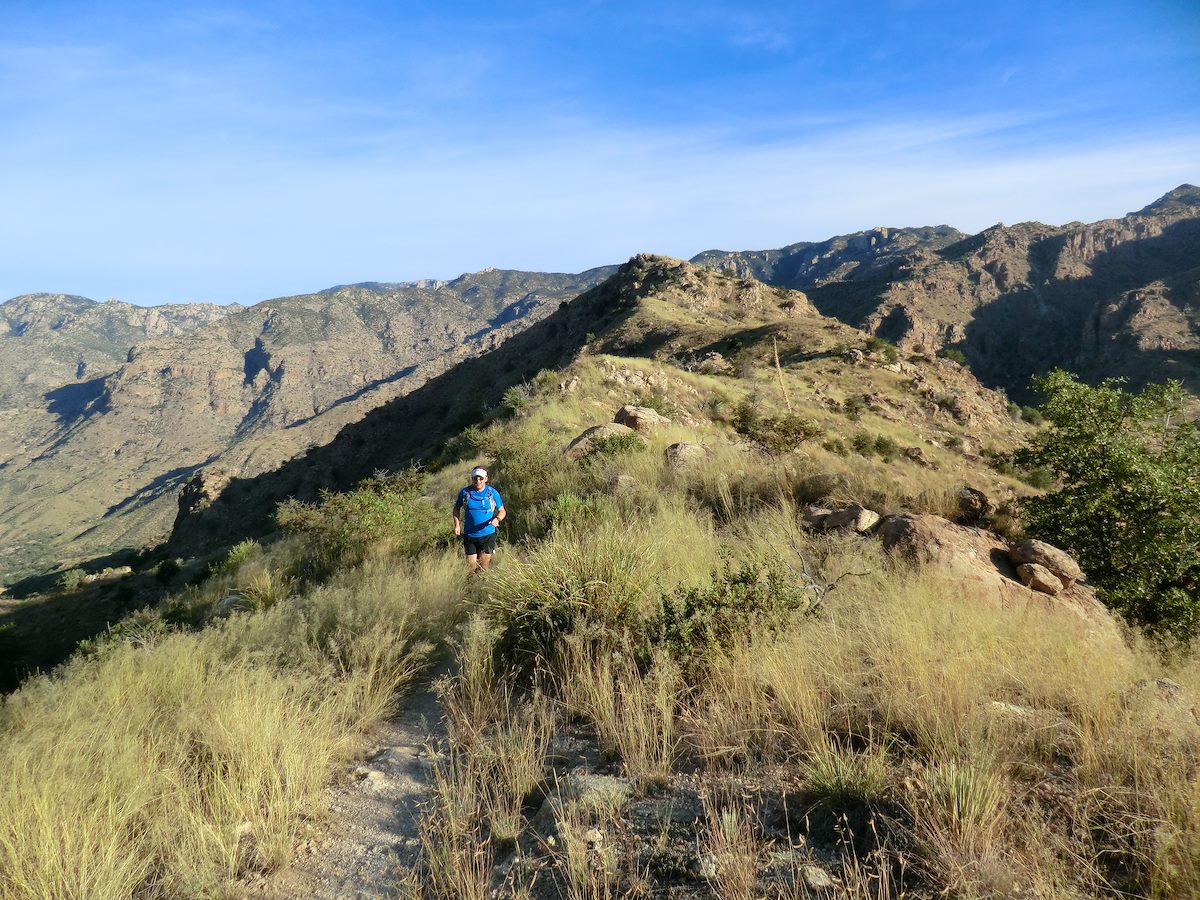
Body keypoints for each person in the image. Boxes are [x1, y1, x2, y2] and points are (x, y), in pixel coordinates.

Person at [453, 466, 505, 572]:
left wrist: (497, 519)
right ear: (472, 478)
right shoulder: (465, 493)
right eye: (475, 478)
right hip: (470, 535)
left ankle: (481, 587)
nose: (478, 481)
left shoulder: (492, 493)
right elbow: (456, 509)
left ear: (486, 479)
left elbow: (502, 511)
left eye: (481, 478)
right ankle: (470, 587)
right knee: (471, 568)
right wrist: (457, 524)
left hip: (487, 535)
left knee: (483, 567)